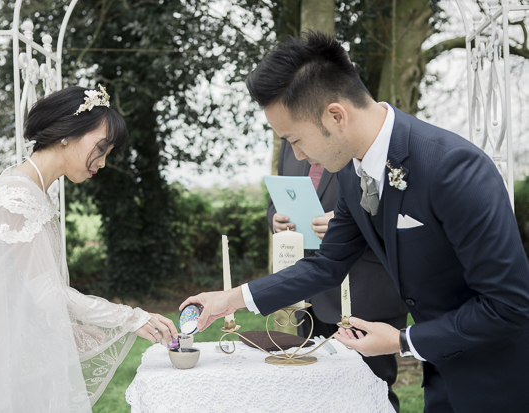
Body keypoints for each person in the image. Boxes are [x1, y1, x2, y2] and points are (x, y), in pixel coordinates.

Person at [181, 32, 529, 413]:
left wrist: (403, 340)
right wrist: (228, 300)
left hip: (503, 376)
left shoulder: (453, 168)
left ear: (336, 115)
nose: (298, 155)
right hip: (443, 369)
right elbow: (327, 264)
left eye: (295, 139)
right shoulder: (352, 173)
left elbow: (510, 303)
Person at [0, 86, 177, 412]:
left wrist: (78, 328)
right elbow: (48, 294)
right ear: (67, 134)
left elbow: (25, 290)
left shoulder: (35, 191)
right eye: (101, 148)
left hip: (9, 344)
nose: (104, 162)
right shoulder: (17, 196)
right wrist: (130, 317)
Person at [268, 139, 407, 411]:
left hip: (365, 288)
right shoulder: (291, 143)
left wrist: (348, 223)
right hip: (308, 293)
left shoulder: (369, 139)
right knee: (315, 391)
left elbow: (397, 210)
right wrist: (275, 218)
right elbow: (277, 200)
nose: (299, 150)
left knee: (371, 391)